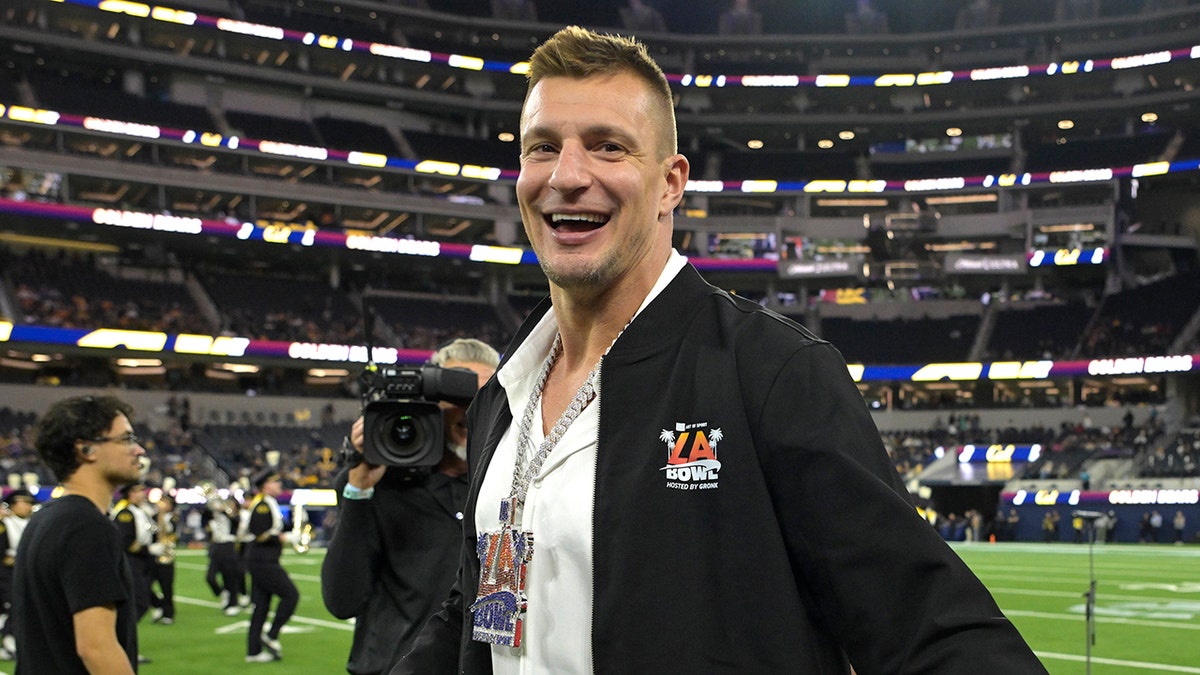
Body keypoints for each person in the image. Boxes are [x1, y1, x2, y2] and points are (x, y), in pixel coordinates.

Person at [395, 26, 1045, 674]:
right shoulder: (505, 391)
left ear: (670, 183)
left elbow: (928, 629)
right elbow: (477, 607)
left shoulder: (772, 372)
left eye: (608, 146)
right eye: (543, 147)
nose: (566, 175)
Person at [321, 338, 500, 675]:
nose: (470, 407)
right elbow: (342, 600)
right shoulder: (381, 481)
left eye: (484, 395)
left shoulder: (506, 484)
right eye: (456, 392)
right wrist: (359, 488)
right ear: (428, 400)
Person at [12, 394, 144, 673]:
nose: (139, 450)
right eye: (126, 439)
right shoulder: (87, 526)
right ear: (86, 449)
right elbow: (96, 647)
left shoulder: (45, 518)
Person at [239, 469, 299, 663]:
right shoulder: (263, 505)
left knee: (261, 606)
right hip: (263, 559)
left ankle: (253, 651)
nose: (279, 485)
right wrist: (284, 538)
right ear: (266, 486)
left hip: (261, 559)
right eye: (275, 482)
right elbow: (260, 533)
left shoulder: (267, 503)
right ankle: (272, 635)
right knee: (291, 595)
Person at [110, 482, 159, 628]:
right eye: (139, 491)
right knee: (140, 602)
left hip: (144, 561)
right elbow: (126, 542)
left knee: (142, 598)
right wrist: (149, 549)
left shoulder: (142, 512)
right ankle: (121, 632)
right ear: (131, 494)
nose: (143, 494)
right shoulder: (125, 513)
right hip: (132, 561)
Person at [0, 488, 35, 660]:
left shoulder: (33, 523)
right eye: (24, 502)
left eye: (29, 503)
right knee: (12, 606)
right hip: (7, 574)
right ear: (13, 505)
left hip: (27, 572)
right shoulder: (4, 524)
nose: (28, 506)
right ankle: (9, 641)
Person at [202, 491, 246, 616]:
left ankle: (233, 604)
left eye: (232, 504)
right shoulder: (214, 515)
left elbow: (235, 521)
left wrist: (224, 510)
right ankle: (222, 593)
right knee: (210, 577)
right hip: (216, 546)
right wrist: (211, 502)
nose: (229, 506)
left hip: (229, 546)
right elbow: (204, 517)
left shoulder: (236, 517)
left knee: (230, 577)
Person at [148, 494, 178, 625]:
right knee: (144, 585)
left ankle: (168, 613)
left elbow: (170, 531)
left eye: (166, 503)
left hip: (167, 555)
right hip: (153, 555)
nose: (162, 505)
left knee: (166, 587)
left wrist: (161, 517)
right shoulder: (152, 517)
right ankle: (158, 604)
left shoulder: (173, 518)